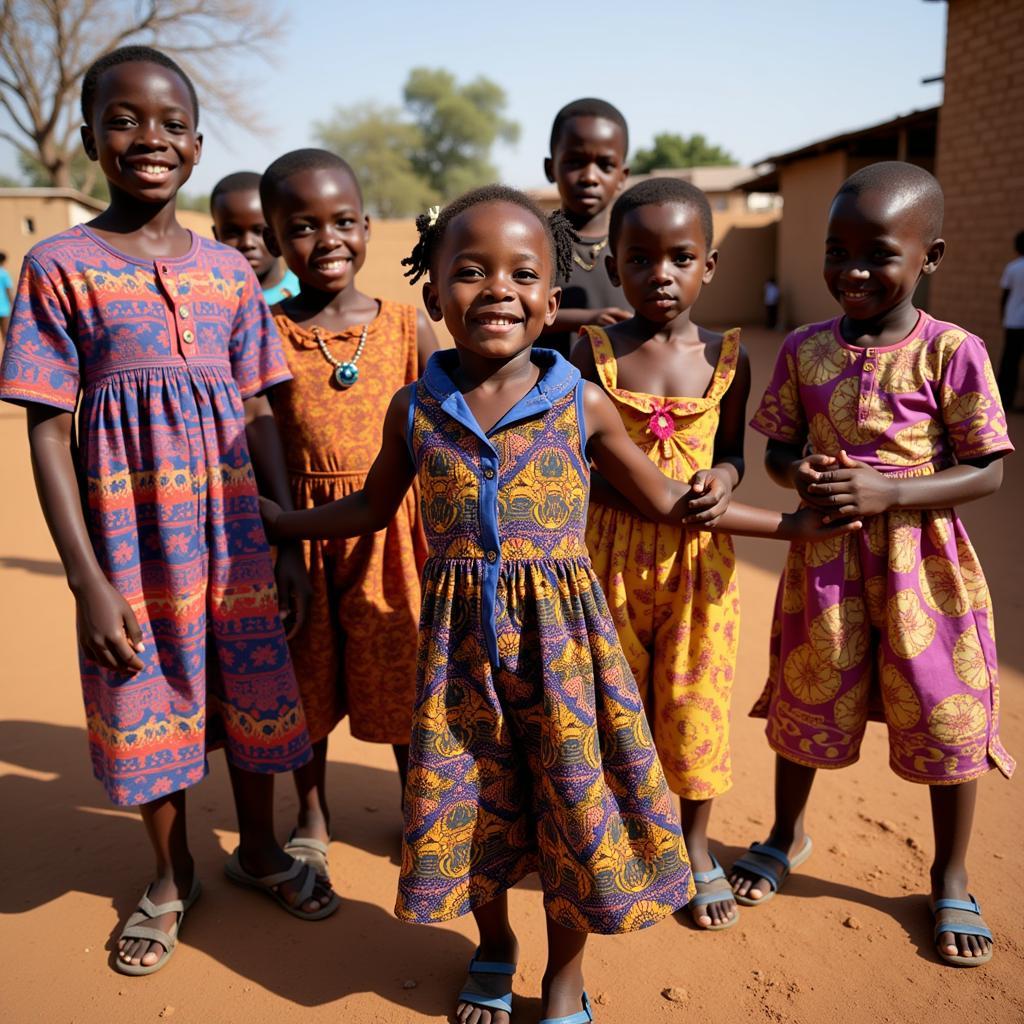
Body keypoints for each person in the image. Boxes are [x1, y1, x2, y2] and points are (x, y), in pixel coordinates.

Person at [259, 184, 859, 1023]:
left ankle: (565, 973)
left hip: (565, 648)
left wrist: (794, 525)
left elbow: (667, 502)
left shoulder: (581, 402)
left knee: (570, 803)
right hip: (459, 653)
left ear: (552, 303)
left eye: (522, 273)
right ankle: (495, 944)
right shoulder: (416, 407)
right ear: (433, 294)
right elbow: (367, 508)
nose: (497, 288)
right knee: (470, 803)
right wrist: (283, 520)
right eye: (470, 271)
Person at [0, 46, 339, 977]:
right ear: (88, 139)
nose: (148, 137)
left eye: (169, 124)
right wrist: (85, 580)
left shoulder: (231, 275)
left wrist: (286, 544)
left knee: (256, 690)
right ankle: (169, 871)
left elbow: (264, 405)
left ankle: (262, 851)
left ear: (195, 147)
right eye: (123, 119)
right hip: (129, 542)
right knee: (148, 695)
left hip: (234, 539)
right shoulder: (56, 266)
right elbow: (43, 430)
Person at [732, 161, 1014, 969]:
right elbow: (779, 449)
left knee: (945, 708)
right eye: (837, 250)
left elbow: (987, 468)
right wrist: (802, 475)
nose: (852, 271)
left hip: (924, 566)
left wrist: (891, 493)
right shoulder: (803, 348)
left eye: (877, 254)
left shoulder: (954, 353)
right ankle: (786, 834)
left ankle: (951, 871)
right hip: (825, 563)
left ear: (930, 255)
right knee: (806, 694)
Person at [571, 178, 750, 932]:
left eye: (681, 257)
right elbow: (577, 459)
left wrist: (724, 477)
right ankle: (623, 837)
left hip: (700, 569)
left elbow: (735, 449)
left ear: (709, 265)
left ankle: (696, 845)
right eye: (640, 259)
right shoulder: (593, 352)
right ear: (614, 267)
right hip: (607, 559)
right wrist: (643, 496)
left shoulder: (729, 355)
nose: (662, 274)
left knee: (694, 706)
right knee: (614, 706)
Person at [258, 147, 438, 879]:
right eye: (302, 226)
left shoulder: (404, 326)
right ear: (274, 241)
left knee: (403, 666)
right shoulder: (265, 331)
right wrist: (284, 551)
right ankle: (312, 813)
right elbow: (258, 432)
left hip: (393, 532)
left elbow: (441, 429)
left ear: (367, 227)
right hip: (302, 531)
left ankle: (416, 805)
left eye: (342, 221)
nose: (326, 239)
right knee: (308, 676)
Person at [542, 98, 632, 359]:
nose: (590, 177)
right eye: (574, 162)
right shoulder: (533, 243)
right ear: (551, 168)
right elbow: (515, 314)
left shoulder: (635, 250)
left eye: (605, 165)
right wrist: (586, 319)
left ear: (622, 177)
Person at [210, 171, 301, 304]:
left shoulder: (306, 291)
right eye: (233, 233)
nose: (247, 243)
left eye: (259, 231)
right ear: (217, 235)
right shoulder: (210, 301)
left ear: (279, 231)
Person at [997, 229, 1024, 410]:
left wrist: (1003, 317)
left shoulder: (1013, 268)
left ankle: (1005, 401)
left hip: (1014, 323)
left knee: (1009, 364)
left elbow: (1005, 296)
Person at [0, 251, 13, 351]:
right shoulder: (4, 273)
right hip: (4, 307)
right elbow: (8, 290)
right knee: (5, 332)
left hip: (4, 306)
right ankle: (6, 353)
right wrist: (13, 304)